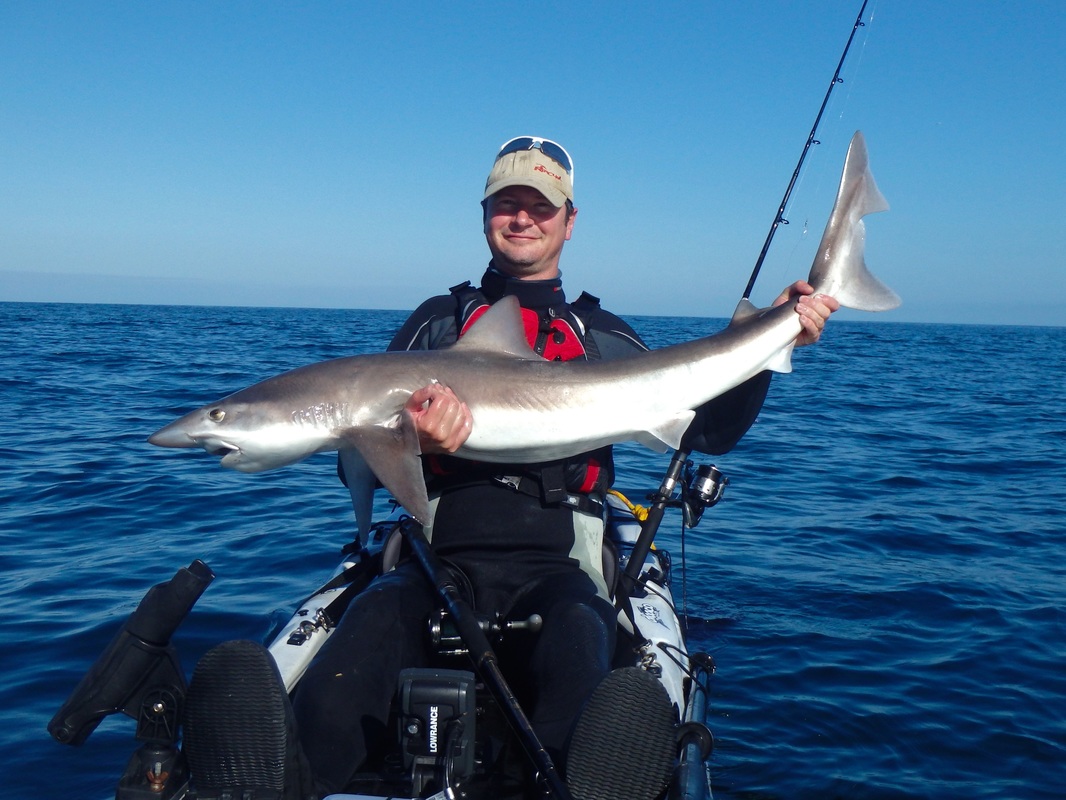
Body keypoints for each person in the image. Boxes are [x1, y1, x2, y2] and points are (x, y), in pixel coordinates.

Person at [183, 136, 839, 800]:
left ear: (568, 220)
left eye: (540, 206)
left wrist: (777, 335)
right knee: (366, 638)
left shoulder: (600, 336)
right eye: (506, 204)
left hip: (557, 562)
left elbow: (710, 429)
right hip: (438, 558)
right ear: (485, 213)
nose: (522, 218)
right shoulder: (436, 325)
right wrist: (414, 441)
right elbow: (364, 465)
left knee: (581, 645)